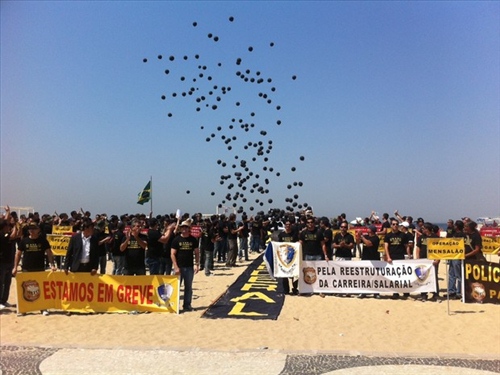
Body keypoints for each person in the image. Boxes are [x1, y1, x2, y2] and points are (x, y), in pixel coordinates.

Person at [13, 222, 56, 316]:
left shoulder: (43, 241)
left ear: (38, 230)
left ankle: (43, 308)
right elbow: (18, 254)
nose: (31, 230)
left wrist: (52, 264)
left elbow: (49, 253)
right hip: (26, 268)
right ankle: (24, 308)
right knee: (26, 288)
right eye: (30, 228)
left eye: (34, 228)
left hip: (39, 268)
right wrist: (15, 267)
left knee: (41, 288)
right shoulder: (24, 241)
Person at [171, 219, 200, 312]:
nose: (184, 229)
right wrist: (175, 266)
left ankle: (187, 305)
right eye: (182, 227)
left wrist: (197, 264)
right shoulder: (176, 239)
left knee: (188, 287)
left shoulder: (193, 239)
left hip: (189, 266)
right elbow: (172, 254)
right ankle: (175, 305)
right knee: (176, 287)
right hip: (179, 266)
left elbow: (196, 252)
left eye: (186, 227)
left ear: (189, 229)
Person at [384, 218, 410, 299]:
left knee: (403, 275)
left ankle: (405, 291)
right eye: (393, 224)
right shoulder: (388, 235)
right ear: (391, 225)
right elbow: (386, 247)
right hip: (392, 258)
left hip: (401, 257)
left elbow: (407, 246)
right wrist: (388, 257)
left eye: (396, 224)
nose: (395, 226)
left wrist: (409, 255)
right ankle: (395, 292)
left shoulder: (403, 235)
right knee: (394, 276)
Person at [416, 223, 440, 301]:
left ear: (427, 229)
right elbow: (418, 248)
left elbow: (439, 249)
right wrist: (418, 258)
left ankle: (435, 294)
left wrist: (437, 259)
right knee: (422, 277)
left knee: (434, 277)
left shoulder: (435, 237)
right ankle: (423, 294)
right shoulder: (421, 237)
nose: (422, 230)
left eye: (424, 228)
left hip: (433, 259)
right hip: (423, 259)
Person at [356, 225, 381, 299]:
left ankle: (376, 292)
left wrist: (362, 237)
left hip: (374, 259)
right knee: (364, 276)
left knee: (375, 276)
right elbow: (357, 242)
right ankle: (363, 292)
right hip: (365, 258)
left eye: (369, 229)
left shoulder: (375, 237)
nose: (367, 229)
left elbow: (368, 244)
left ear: (372, 230)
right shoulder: (365, 236)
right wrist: (358, 236)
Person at [278, 219, 299, 295]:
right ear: (285, 226)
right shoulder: (281, 235)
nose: (288, 226)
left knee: (294, 273)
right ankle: (286, 290)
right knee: (284, 274)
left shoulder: (294, 234)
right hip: (284, 257)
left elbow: (298, 243)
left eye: (289, 225)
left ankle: (295, 288)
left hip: (293, 256)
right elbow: (278, 245)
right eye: (286, 225)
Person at [446, 220, 465, 300]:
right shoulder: (454, 233)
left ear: (457, 226)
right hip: (452, 255)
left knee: (458, 275)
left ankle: (458, 292)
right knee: (451, 273)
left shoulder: (462, 235)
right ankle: (451, 291)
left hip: (457, 256)